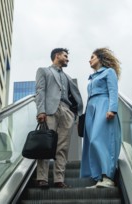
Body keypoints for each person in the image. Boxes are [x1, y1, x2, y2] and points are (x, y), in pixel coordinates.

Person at [35, 48, 83, 188]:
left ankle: (59, 179)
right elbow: (40, 91)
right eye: (65, 56)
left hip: (66, 112)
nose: (67, 59)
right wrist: (40, 111)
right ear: (57, 56)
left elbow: (75, 95)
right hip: (49, 111)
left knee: (63, 147)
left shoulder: (67, 77)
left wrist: (74, 113)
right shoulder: (44, 71)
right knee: (45, 144)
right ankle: (42, 178)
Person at [80, 47, 121, 188]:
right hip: (91, 110)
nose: (89, 60)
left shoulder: (109, 72)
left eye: (92, 56)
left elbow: (113, 91)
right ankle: (99, 178)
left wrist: (112, 109)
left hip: (103, 106)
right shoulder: (93, 77)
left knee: (100, 140)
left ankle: (108, 176)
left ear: (100, 58)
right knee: (92, 142)